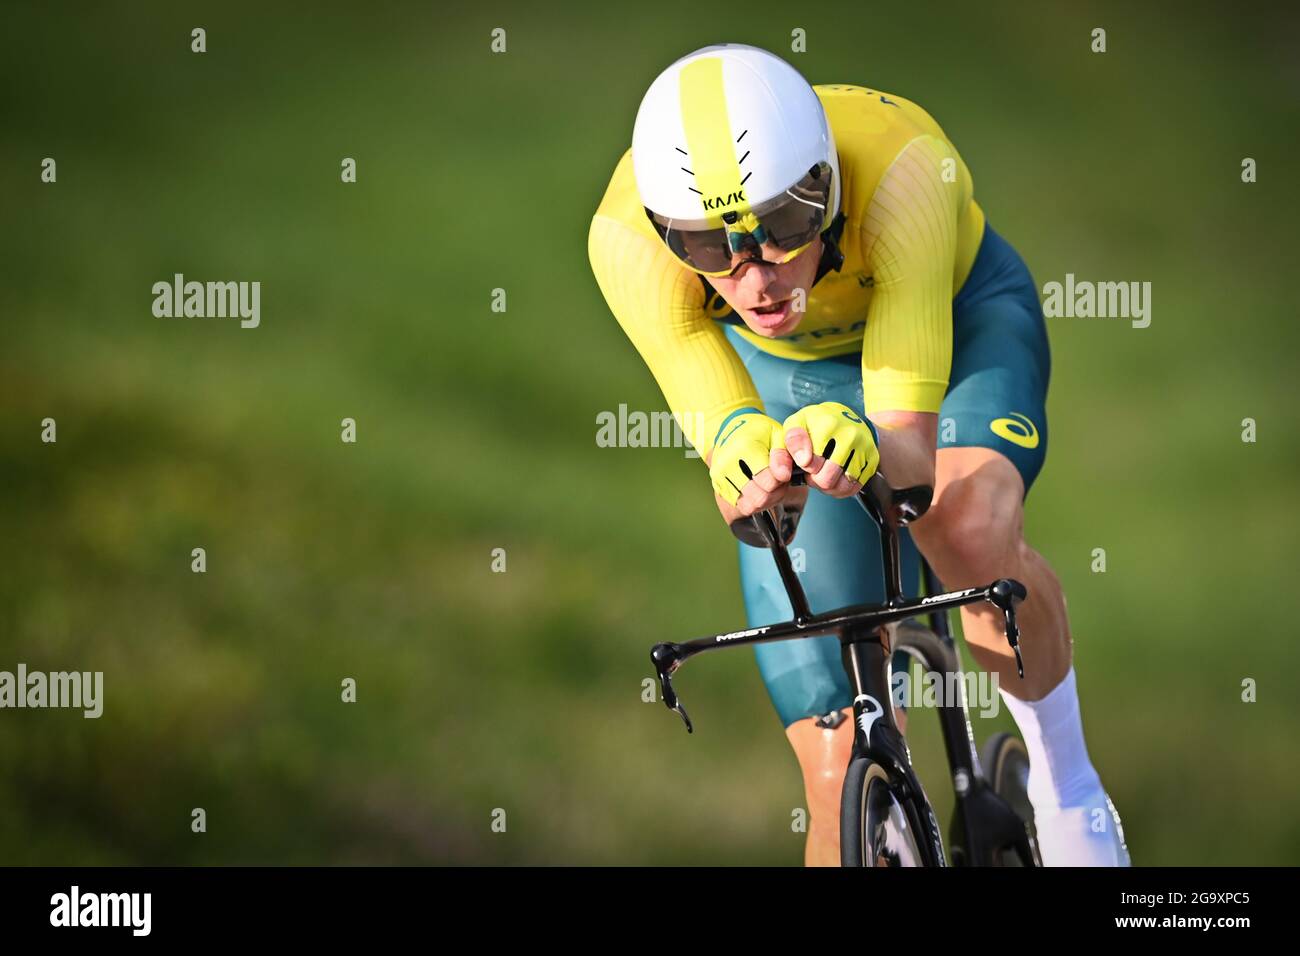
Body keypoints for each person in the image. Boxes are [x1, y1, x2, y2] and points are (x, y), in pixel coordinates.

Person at [587, 43, 1129, 866]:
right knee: (836, 759)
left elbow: (909, 450)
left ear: (829, 188)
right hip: (791, 382)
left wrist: (876, 445)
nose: (756, 274)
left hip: (956, 321)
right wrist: (752, 470)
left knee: (963, 525)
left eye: (785, 227)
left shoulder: (906, 170)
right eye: (709, 248)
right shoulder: (626, 244)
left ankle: (1070, 791)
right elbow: (727, 438)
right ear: (669, 235)